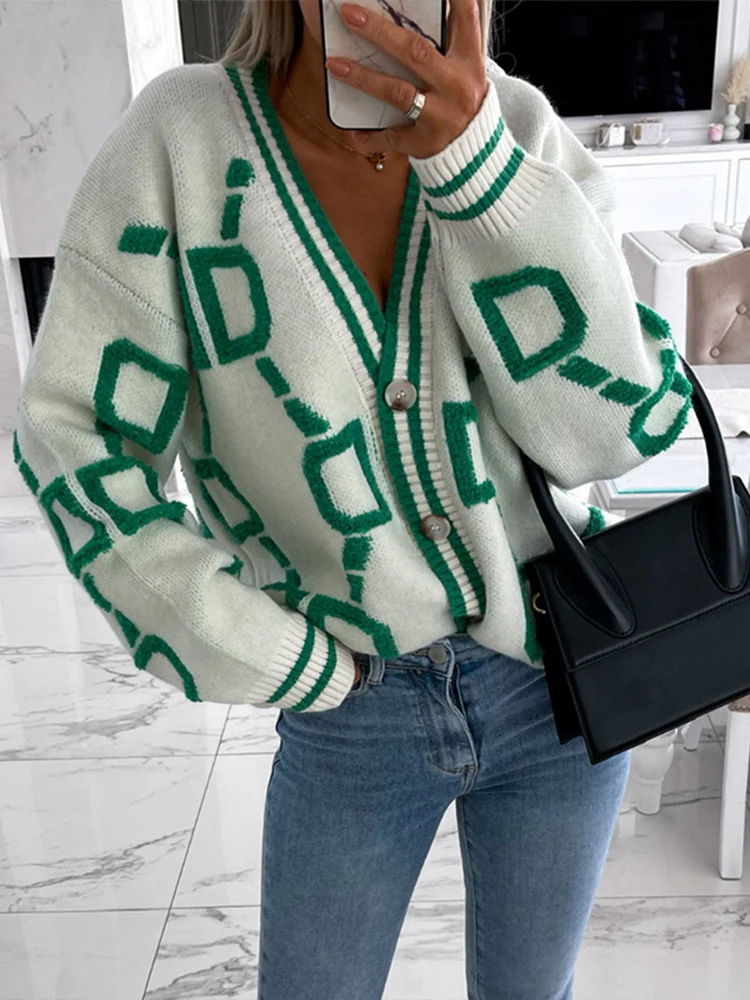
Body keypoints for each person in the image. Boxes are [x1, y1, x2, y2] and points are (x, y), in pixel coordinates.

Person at [13, 0, 692, 996]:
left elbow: (614, 432)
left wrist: (477, 171)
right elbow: (74, 437)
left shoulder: (521, 129)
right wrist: (259, 645)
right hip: (349, 706)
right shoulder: (181, 144)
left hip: (558, 674)